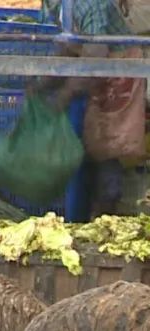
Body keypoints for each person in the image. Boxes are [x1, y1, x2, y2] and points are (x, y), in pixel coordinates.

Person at [34, 0, 145, 217]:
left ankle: (106, 214)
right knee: (90, 136)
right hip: (89, 63)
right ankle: (88, 205)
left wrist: (66, 93)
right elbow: (66, 46)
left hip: (118, 66)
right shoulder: (51, 4)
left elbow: (96, 54)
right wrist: (41, 82)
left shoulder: (88, 3)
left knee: (108, 143)